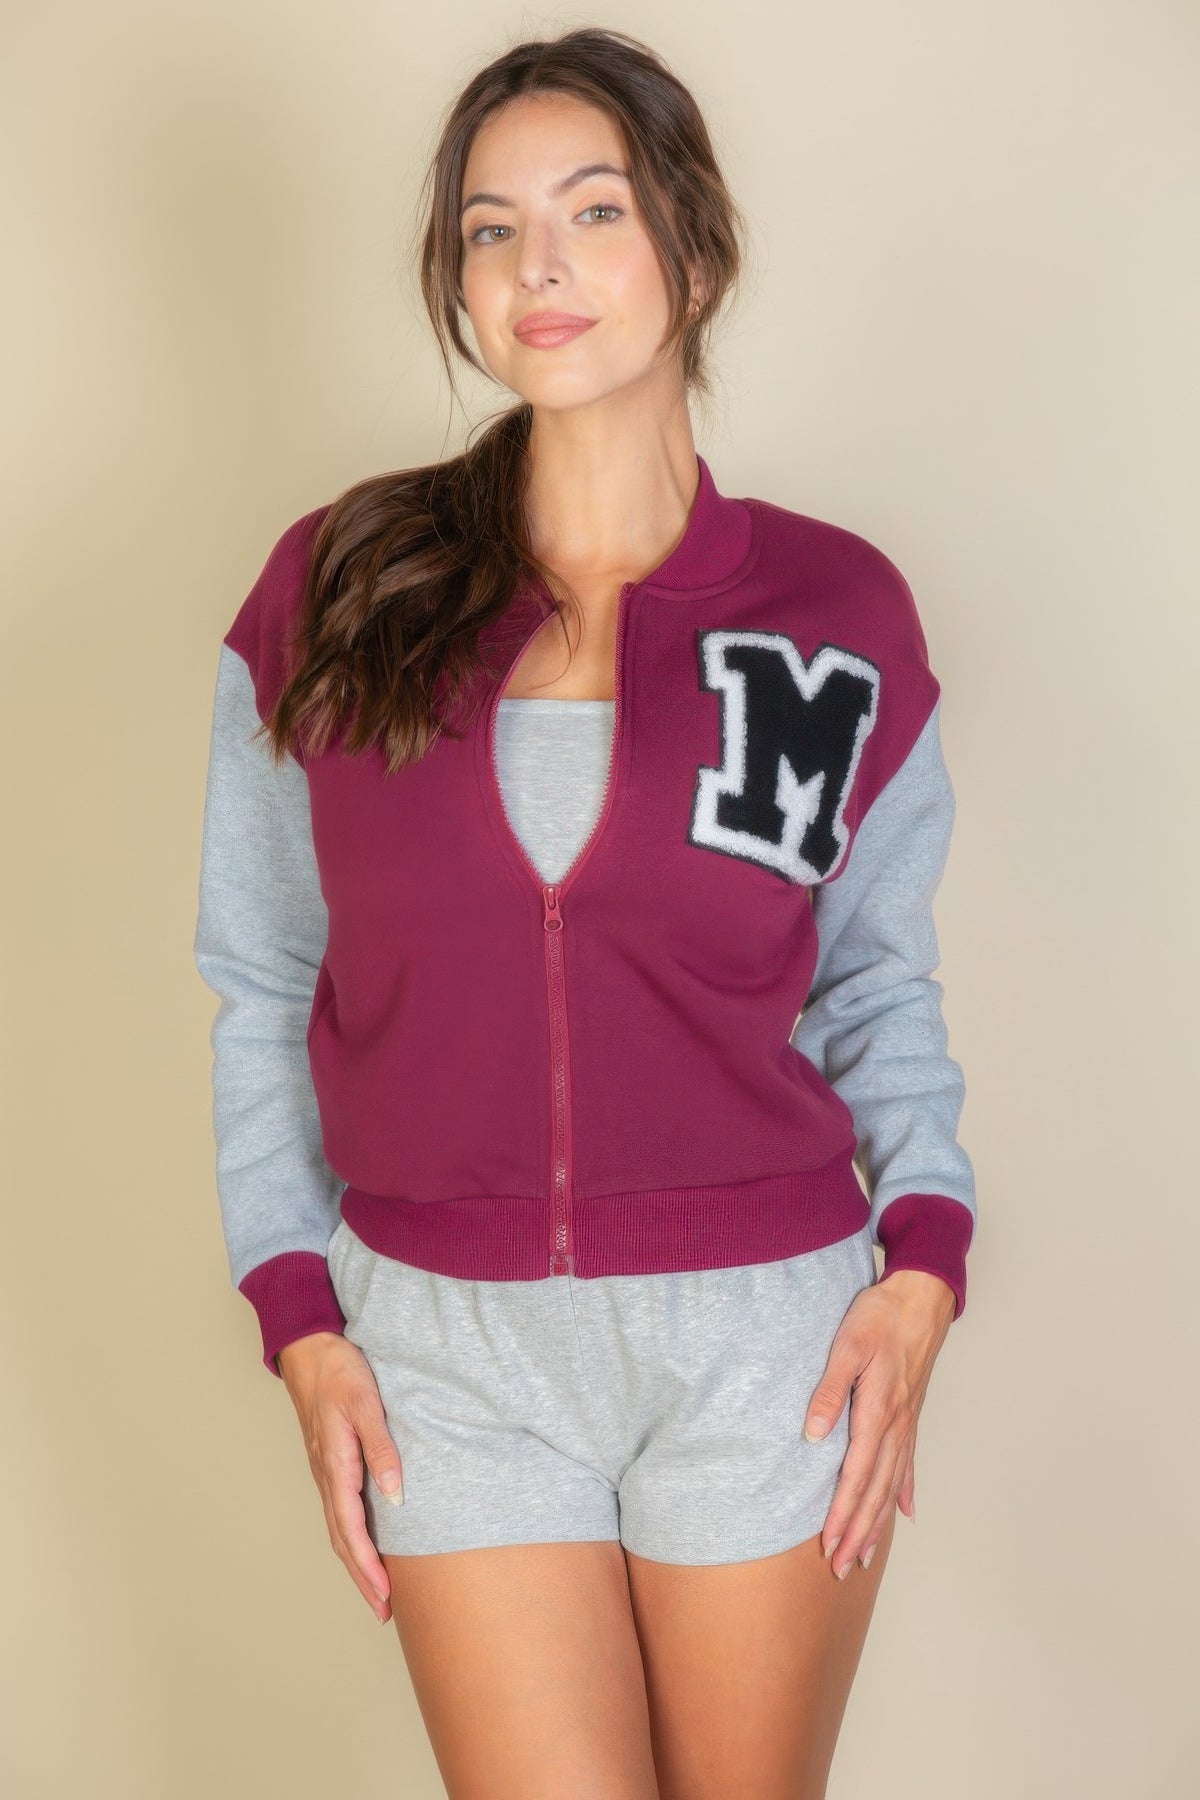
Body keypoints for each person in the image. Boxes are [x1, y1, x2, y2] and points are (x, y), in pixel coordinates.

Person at [193, 25, 977, 1799]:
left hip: (762, 1337)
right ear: (459, 282)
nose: (536, 264)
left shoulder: (833, 615)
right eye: (490, 229)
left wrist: (925, 1263)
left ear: (693, 249)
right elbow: (262, 971)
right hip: (448, 1345)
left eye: (593, 210)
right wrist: (298, 1315)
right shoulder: (337, 589)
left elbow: (876, 981)